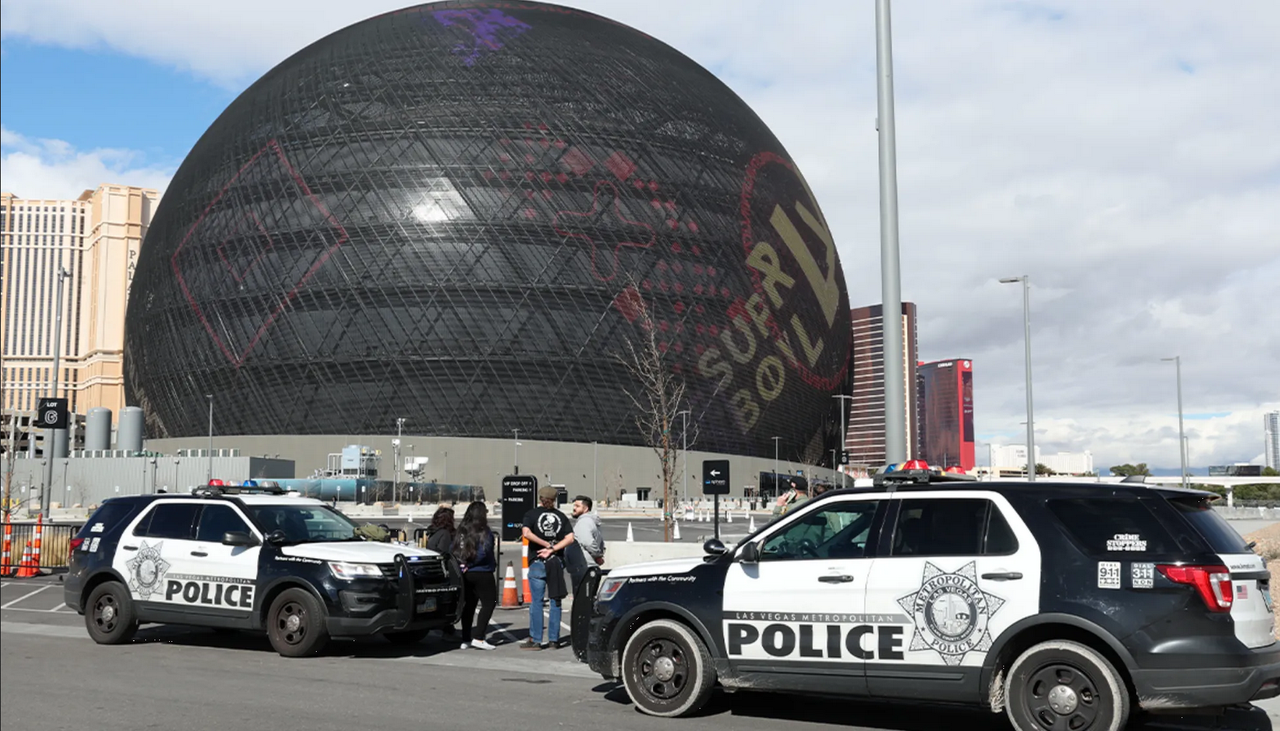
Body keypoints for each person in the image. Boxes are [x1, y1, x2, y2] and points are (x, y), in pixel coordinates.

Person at [520, 486, 575, 650]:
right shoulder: (561, 516)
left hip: (537, 561)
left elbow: (526, 533)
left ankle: (536, 640)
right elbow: (570, 538)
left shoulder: (531, 514)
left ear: (540, 498)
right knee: (555, 600)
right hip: (555, 562)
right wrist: (553, 548)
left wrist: (544, 545)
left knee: (536, 602)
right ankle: (554, 639)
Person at [452, 501, 498, 650]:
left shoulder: (461, 530)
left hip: (465, 573)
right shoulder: (484, 530)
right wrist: (471, 564)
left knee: (469, 605)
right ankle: (478, 636)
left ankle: (466, 638)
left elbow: (453, 549)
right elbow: (484, 552)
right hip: (482, 571)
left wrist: (462, 565)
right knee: (489, 603)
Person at [571, 496, 605, 567]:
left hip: (584, 566)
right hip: (588, 565)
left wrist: (597, 556)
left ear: (586, 509)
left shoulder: (584, 522)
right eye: (574, 505)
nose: (574, 508)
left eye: (577, 506)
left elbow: (588, 542)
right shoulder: (590, 521)